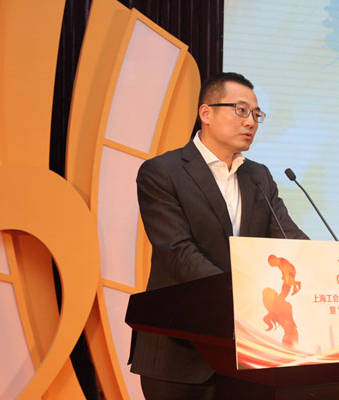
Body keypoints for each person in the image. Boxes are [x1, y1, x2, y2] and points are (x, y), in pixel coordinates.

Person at [128, 72, 308, 399]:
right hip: (179, 352)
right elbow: (179, 253)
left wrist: (324, 267)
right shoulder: (162, 172)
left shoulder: (259, 176)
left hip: (246, 356)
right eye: (241, 110)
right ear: (206, 113)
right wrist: (242, 296)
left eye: (256, 114)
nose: (250, 122)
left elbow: (289, 237)